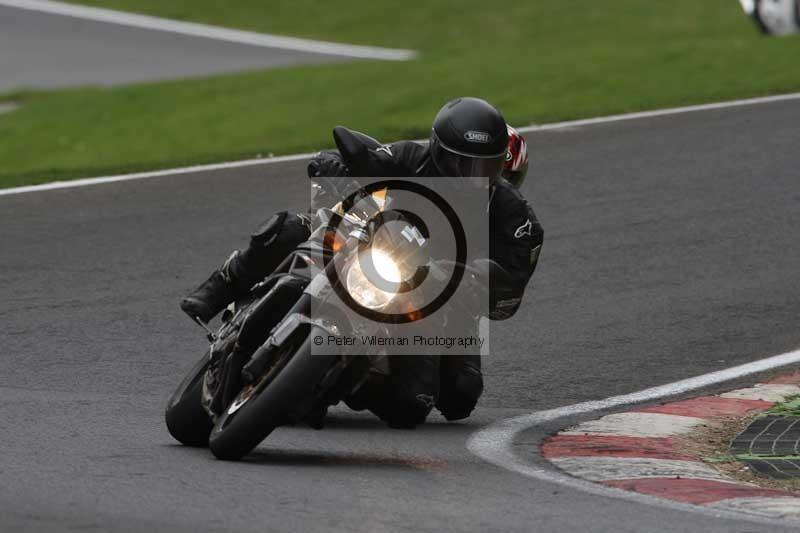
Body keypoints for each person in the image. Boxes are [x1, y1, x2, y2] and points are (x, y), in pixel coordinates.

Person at [181, 97, 543, 428]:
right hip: (371, 243)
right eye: (462, 163)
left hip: (435, 293)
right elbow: (370, 160)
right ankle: (219, 287)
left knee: (426, 401)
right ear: (438, 150)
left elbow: (508, 292)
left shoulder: (516, 218)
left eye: (485, 166)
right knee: (289, 228)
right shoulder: (412, 158)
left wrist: (474, 280)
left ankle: (342, 380)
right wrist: (336, 166)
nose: (471, 176)